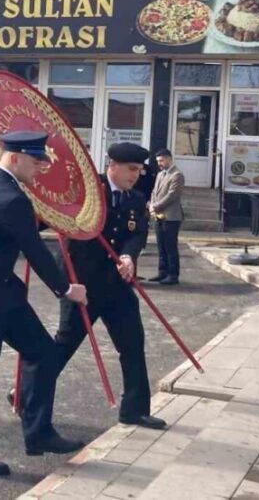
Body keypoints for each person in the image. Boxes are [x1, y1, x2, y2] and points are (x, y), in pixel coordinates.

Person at [0, 131, 87, 476]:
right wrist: (66, 289)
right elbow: (36, 252)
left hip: (1, 293)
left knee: (44, 352)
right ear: (15, 157)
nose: (42, 167)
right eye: (37, 160)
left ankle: (38, 433)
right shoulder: (12, 200)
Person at [54, 142, 166, 431]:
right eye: (131, 169)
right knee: (64, 345)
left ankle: (135, 410)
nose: (135, 176)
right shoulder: (87, 193)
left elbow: (137, 233)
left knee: (133, 344)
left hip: (117, 286)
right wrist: (66, 283)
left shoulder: (136, 199)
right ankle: (28, 391)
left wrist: (129, 255)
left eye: (140, 171)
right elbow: (68, 234)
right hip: (84, 286)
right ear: (112, 166)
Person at [148, 149, 184, 286]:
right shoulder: (160, 174)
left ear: (169, 159)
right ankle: (162, 272)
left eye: (162, 161)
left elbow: (172, 195)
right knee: (161, 246)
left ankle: (173, 275)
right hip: (158, 216)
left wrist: (155, 206)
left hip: (171, 217)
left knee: (170, 246)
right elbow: (154, 191)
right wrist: (151, 205)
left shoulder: (177, 175)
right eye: (158, 161)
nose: (159, 164)